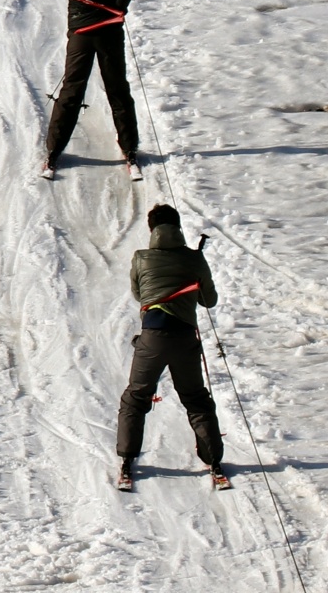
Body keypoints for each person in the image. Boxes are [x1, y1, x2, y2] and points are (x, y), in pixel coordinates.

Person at [115, 203, 225, 490]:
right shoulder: (194, 259)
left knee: (136, 397)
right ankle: (213, 460)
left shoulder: (141, 258)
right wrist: (194, 269)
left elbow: (139, 293)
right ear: (177, 228)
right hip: (186, 338)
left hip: (152, 337)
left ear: (152, 229)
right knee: (196, 399)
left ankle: (127, 460)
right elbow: (208, 300)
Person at [41, 0, 139, 178]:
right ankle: (130, 149)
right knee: (117, 89)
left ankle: (53, 152)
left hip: (79, 34)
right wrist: (119, 7)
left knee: (71, 90)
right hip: (108, 32)